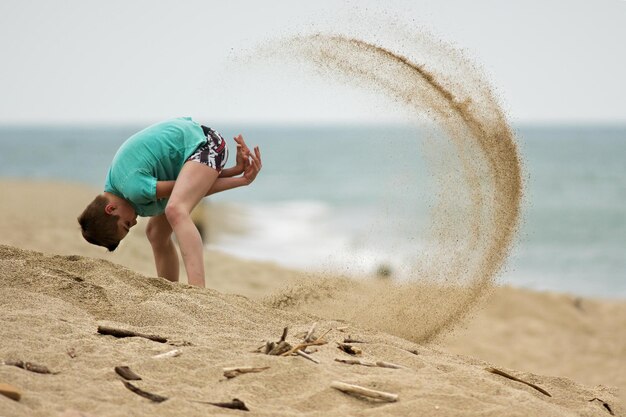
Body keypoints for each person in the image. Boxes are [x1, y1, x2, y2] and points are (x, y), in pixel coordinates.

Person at [78, 117, 262, 288]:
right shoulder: (115, 189)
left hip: (206, 144)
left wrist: (241, 180)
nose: (134, 223)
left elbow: (191, 189)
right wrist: (234, 172)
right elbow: (190, 183)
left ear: (110, 209)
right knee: (156, 232)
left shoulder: (133, 188)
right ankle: (169, 289)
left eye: (126, 225)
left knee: (175, 210)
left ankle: (198, 290)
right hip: (193, 153)